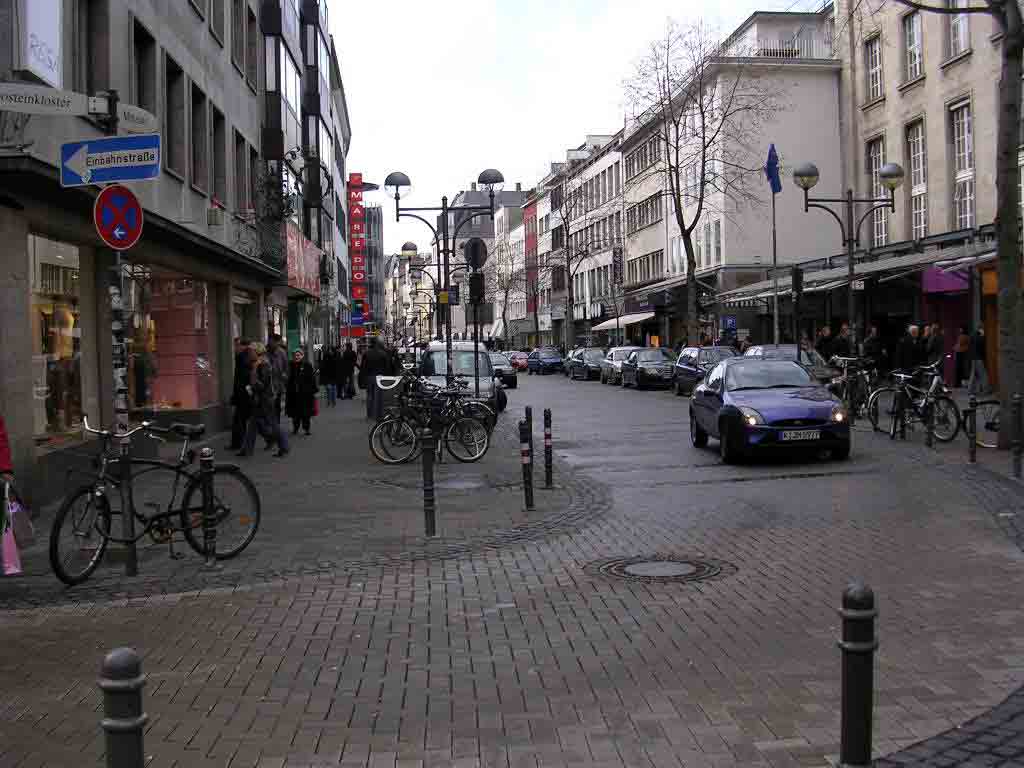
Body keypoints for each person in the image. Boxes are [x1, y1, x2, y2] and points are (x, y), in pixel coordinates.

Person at [239, 343, 289, 458]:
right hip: (261, 399)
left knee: (273, 424)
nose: (249, 354)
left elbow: (262, 385)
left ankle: (284, 446)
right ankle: (246, 449)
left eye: (251, 351)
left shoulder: (263, 364)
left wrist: (252, 381)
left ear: (257, 352)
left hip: (265, 400)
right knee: (252, 424)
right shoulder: (258, 363)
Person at [286, 349, 318, 435]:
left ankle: (306, 428)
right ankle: (295, 428)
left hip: (305, 393)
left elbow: (312, 378)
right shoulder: (291, 365)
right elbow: (289, 378)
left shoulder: (307, 365)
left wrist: (313, 390)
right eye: (295, 355)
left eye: (298, 355)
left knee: (306, 413)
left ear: (302, 356)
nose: (296, 357)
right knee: (295, 413)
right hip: (294, 393)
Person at [228, 338, 252, 450]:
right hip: (246, 393)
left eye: (237, 345)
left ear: (242, 346)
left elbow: (240, 378)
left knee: (239, 420)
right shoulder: (249, 357)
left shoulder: (241, 357)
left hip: (242, 393)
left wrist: (236, 395)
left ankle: (238, 443)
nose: (235, 348)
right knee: (243, 419)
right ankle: (239, 443)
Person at [360, 338, 389, 421]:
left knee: (370, 396)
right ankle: (378, 415)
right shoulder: (383, 354)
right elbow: (387, 367)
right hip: (380, 377)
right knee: (379, 396)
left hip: (369, 377)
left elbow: (363, 367)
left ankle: (369, 414)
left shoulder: (366, 354)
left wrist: (363, 377)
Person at [267, 334, 289, 423]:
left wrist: (284, 375)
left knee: (276, 405)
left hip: (278, 384)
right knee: (269, 405)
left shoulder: (281, 353)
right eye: (271, 341)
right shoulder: (265, 351)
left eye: (275, 342)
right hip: (267, 383)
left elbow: (286, 366)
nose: (273, 343)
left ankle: (276, 422)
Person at [968, 327, 990, 395]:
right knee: (983, 374)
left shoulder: (972, 337)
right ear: (981, 330)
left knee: (973, 374)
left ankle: (970, 390)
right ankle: (985, 389)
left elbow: (970, 347)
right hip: (979, 358)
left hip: (973, 358)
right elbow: (982, 349)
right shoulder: (980, 338)